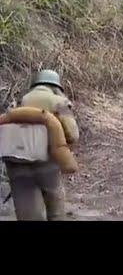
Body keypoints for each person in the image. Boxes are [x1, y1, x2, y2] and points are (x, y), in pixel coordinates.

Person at [3, 69, 79, 221]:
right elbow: (73, 134)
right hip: (46, 162)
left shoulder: (19, 101)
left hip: (16, 161)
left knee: (26, 207)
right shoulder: (59, 102)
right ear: (56, 86)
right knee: (54, 203)